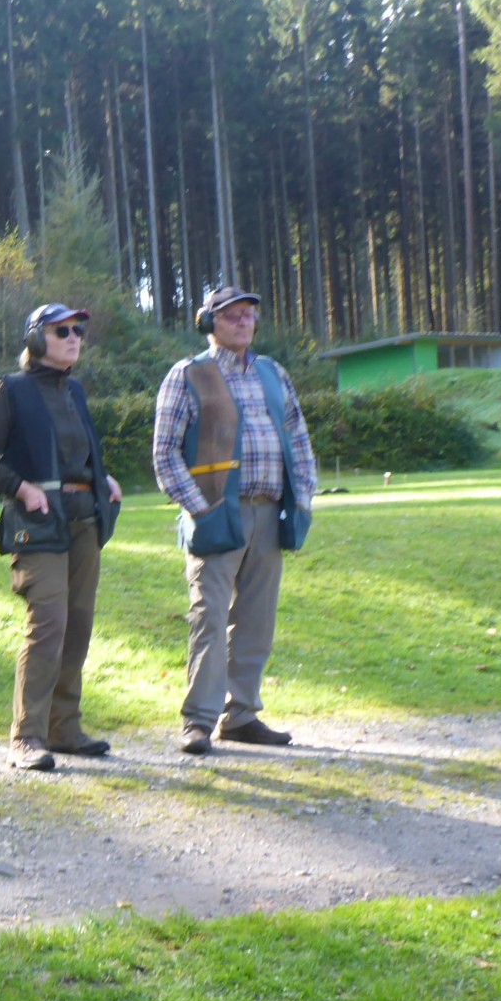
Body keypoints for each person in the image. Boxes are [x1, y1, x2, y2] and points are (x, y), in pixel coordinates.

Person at [152, 286, 318, 756]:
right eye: (231, 316)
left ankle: (241, 715)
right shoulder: (187, 375)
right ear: (209, 324)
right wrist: (200, 507)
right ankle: (199, 721)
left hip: (270, 509)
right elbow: (164, 454)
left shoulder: (273, 373)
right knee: (209, 618)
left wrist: (303, 497)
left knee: (256, 620)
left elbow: (299, 439)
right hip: (215, 514)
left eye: (248, 315)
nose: (243, 322)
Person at [0, 302, 123, 771]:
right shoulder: (10, 390)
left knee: (78, 625)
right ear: (36, 340)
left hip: (84, 520)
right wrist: (22, 488)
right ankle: (26, 737)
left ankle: (64, 729)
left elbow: (76, 455)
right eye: (62, 331)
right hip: (38, 526)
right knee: (49, 625)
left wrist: (101, 478)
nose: (74, 338)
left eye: (78, 331)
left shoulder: (74, 390)